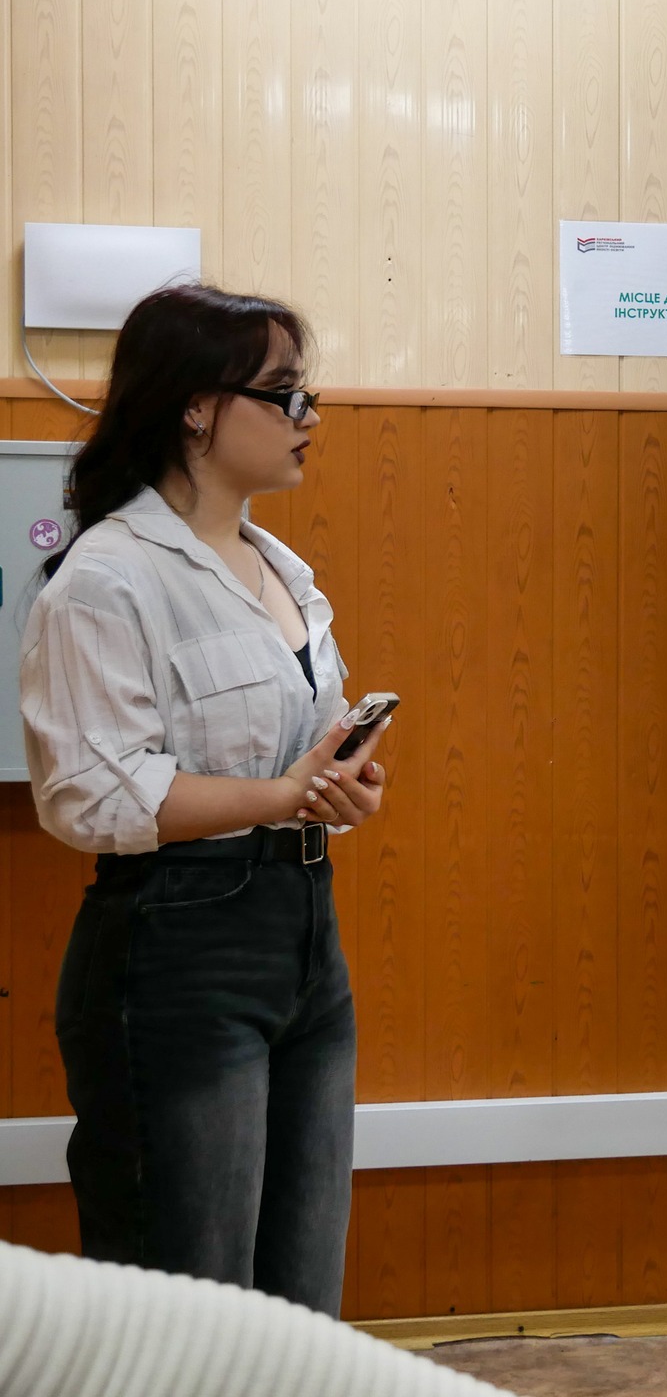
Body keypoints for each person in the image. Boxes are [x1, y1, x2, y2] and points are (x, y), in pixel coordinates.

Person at [18, 284, 389, 1316]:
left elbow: (308, 745)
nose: (307, 418)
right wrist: (280, 792)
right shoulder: (107, 578)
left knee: (298, 1300)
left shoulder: (282, 569)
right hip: (175, 945)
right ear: (194, 407)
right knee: (190, 1304)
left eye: (307, 394)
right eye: (283, 394)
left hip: (304, 934)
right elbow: (91, 795)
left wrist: (344, 781)